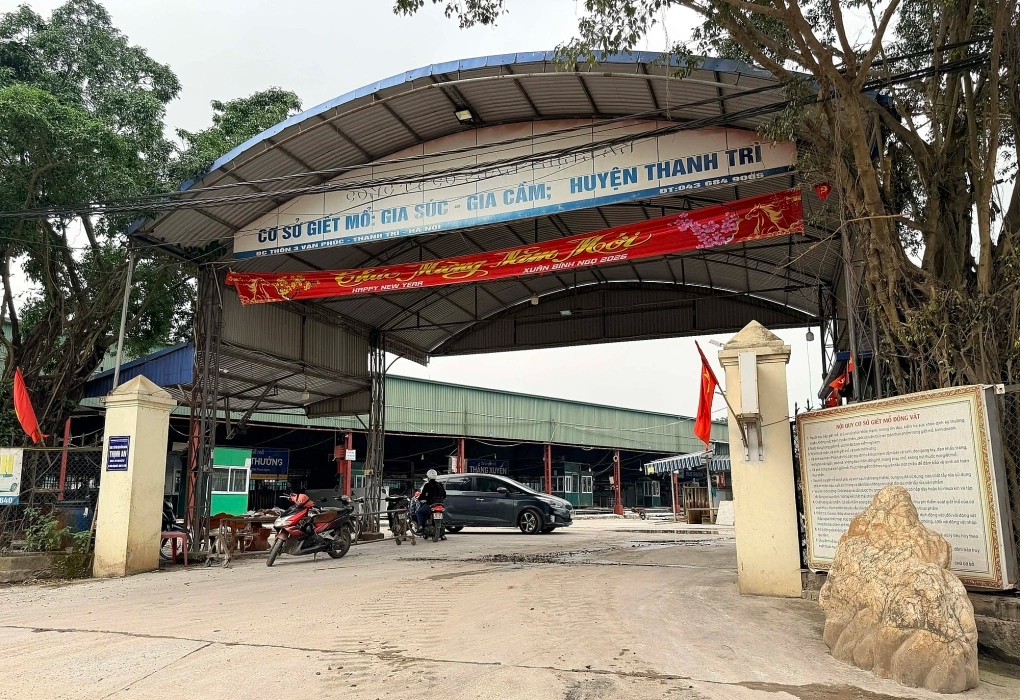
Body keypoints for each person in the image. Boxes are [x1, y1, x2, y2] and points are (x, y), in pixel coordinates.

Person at [416, 469, 446, 537]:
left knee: (419, 512)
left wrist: (420, 499)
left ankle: (420, 526)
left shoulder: (427, 485)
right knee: (442, 518)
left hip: (430, 505)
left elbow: (423, 495)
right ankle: (443, 534)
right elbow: (444, 495)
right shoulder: (440, 485)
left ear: (428, 477)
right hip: (440, 505)